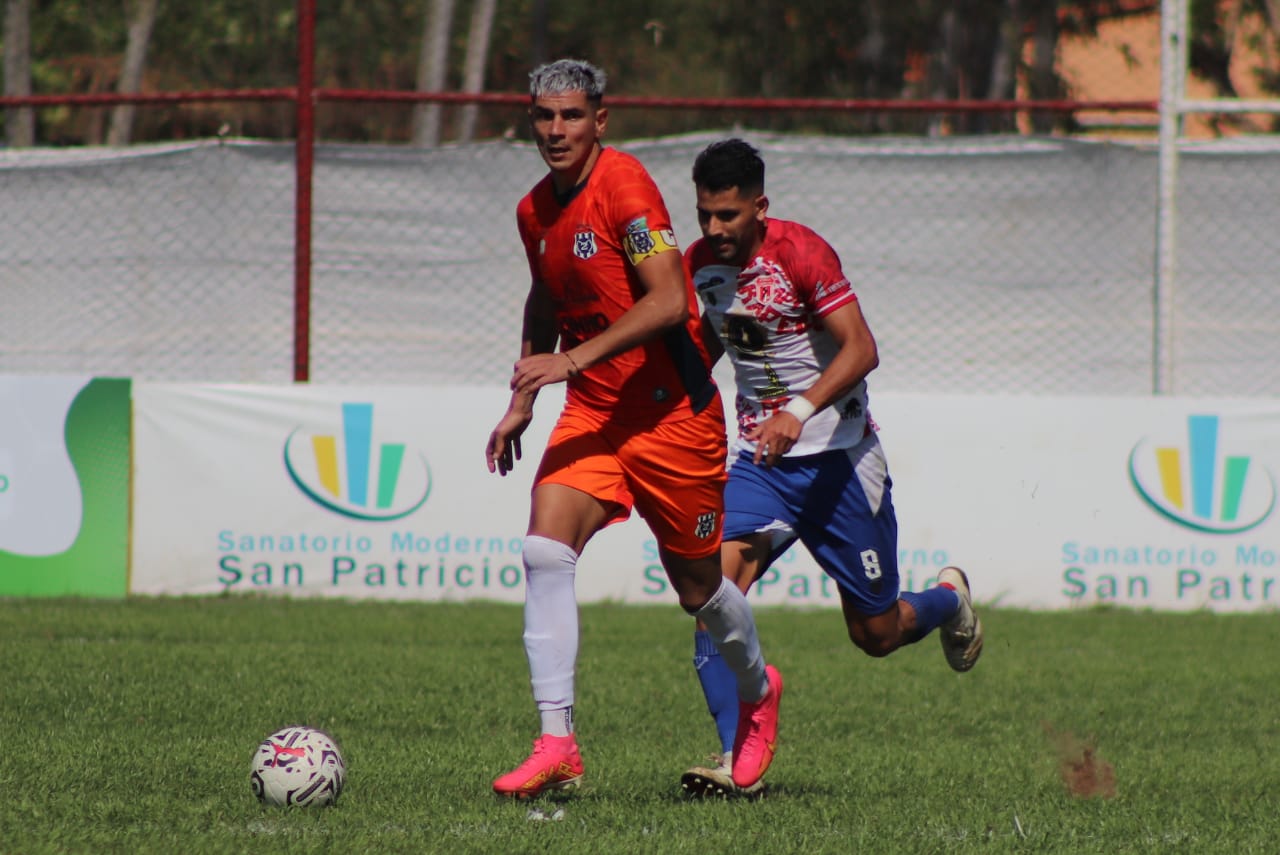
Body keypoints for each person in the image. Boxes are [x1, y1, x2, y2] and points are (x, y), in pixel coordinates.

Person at [484, 63, 782, 799]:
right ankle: (557, 741)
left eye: (571, 116)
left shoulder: (626, 188)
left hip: (672, 416)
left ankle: (758, 688)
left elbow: (669, 299)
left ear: (600, 120)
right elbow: (543, 299)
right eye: (544, 116)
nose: (556, 130)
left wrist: (571, 359)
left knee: (700, 591)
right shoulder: (532, 211)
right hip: (594, 412)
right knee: (544, 550)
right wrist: (524, 396)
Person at [679, 138, 984, 798]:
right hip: (760, 464)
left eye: (728, 215)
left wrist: (799, 410)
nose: (714, 228)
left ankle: (949, 599)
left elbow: (862, 348)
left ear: (760, 207)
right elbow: (718, 336)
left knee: (877, 634)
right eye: (704, 214)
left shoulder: (802, 253)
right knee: (711, 595)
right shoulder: (699, 265)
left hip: (840, 463)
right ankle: (737, 758)